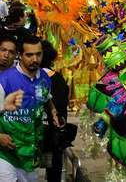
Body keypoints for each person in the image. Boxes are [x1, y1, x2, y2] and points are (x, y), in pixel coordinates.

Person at [0, 36, 63, 182]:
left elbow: (46, 98)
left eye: (38, 54)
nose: (34, 59)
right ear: (20, 55)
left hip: (30, 155)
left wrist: (53, 112)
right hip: (5, 155)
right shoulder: (4, 80)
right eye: (29, 55)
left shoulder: (45, 79)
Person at [41, 41, 69, 182]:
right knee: (54, 170)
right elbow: (62, 110)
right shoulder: (57, 79)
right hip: (52, 136)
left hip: (27, 136)